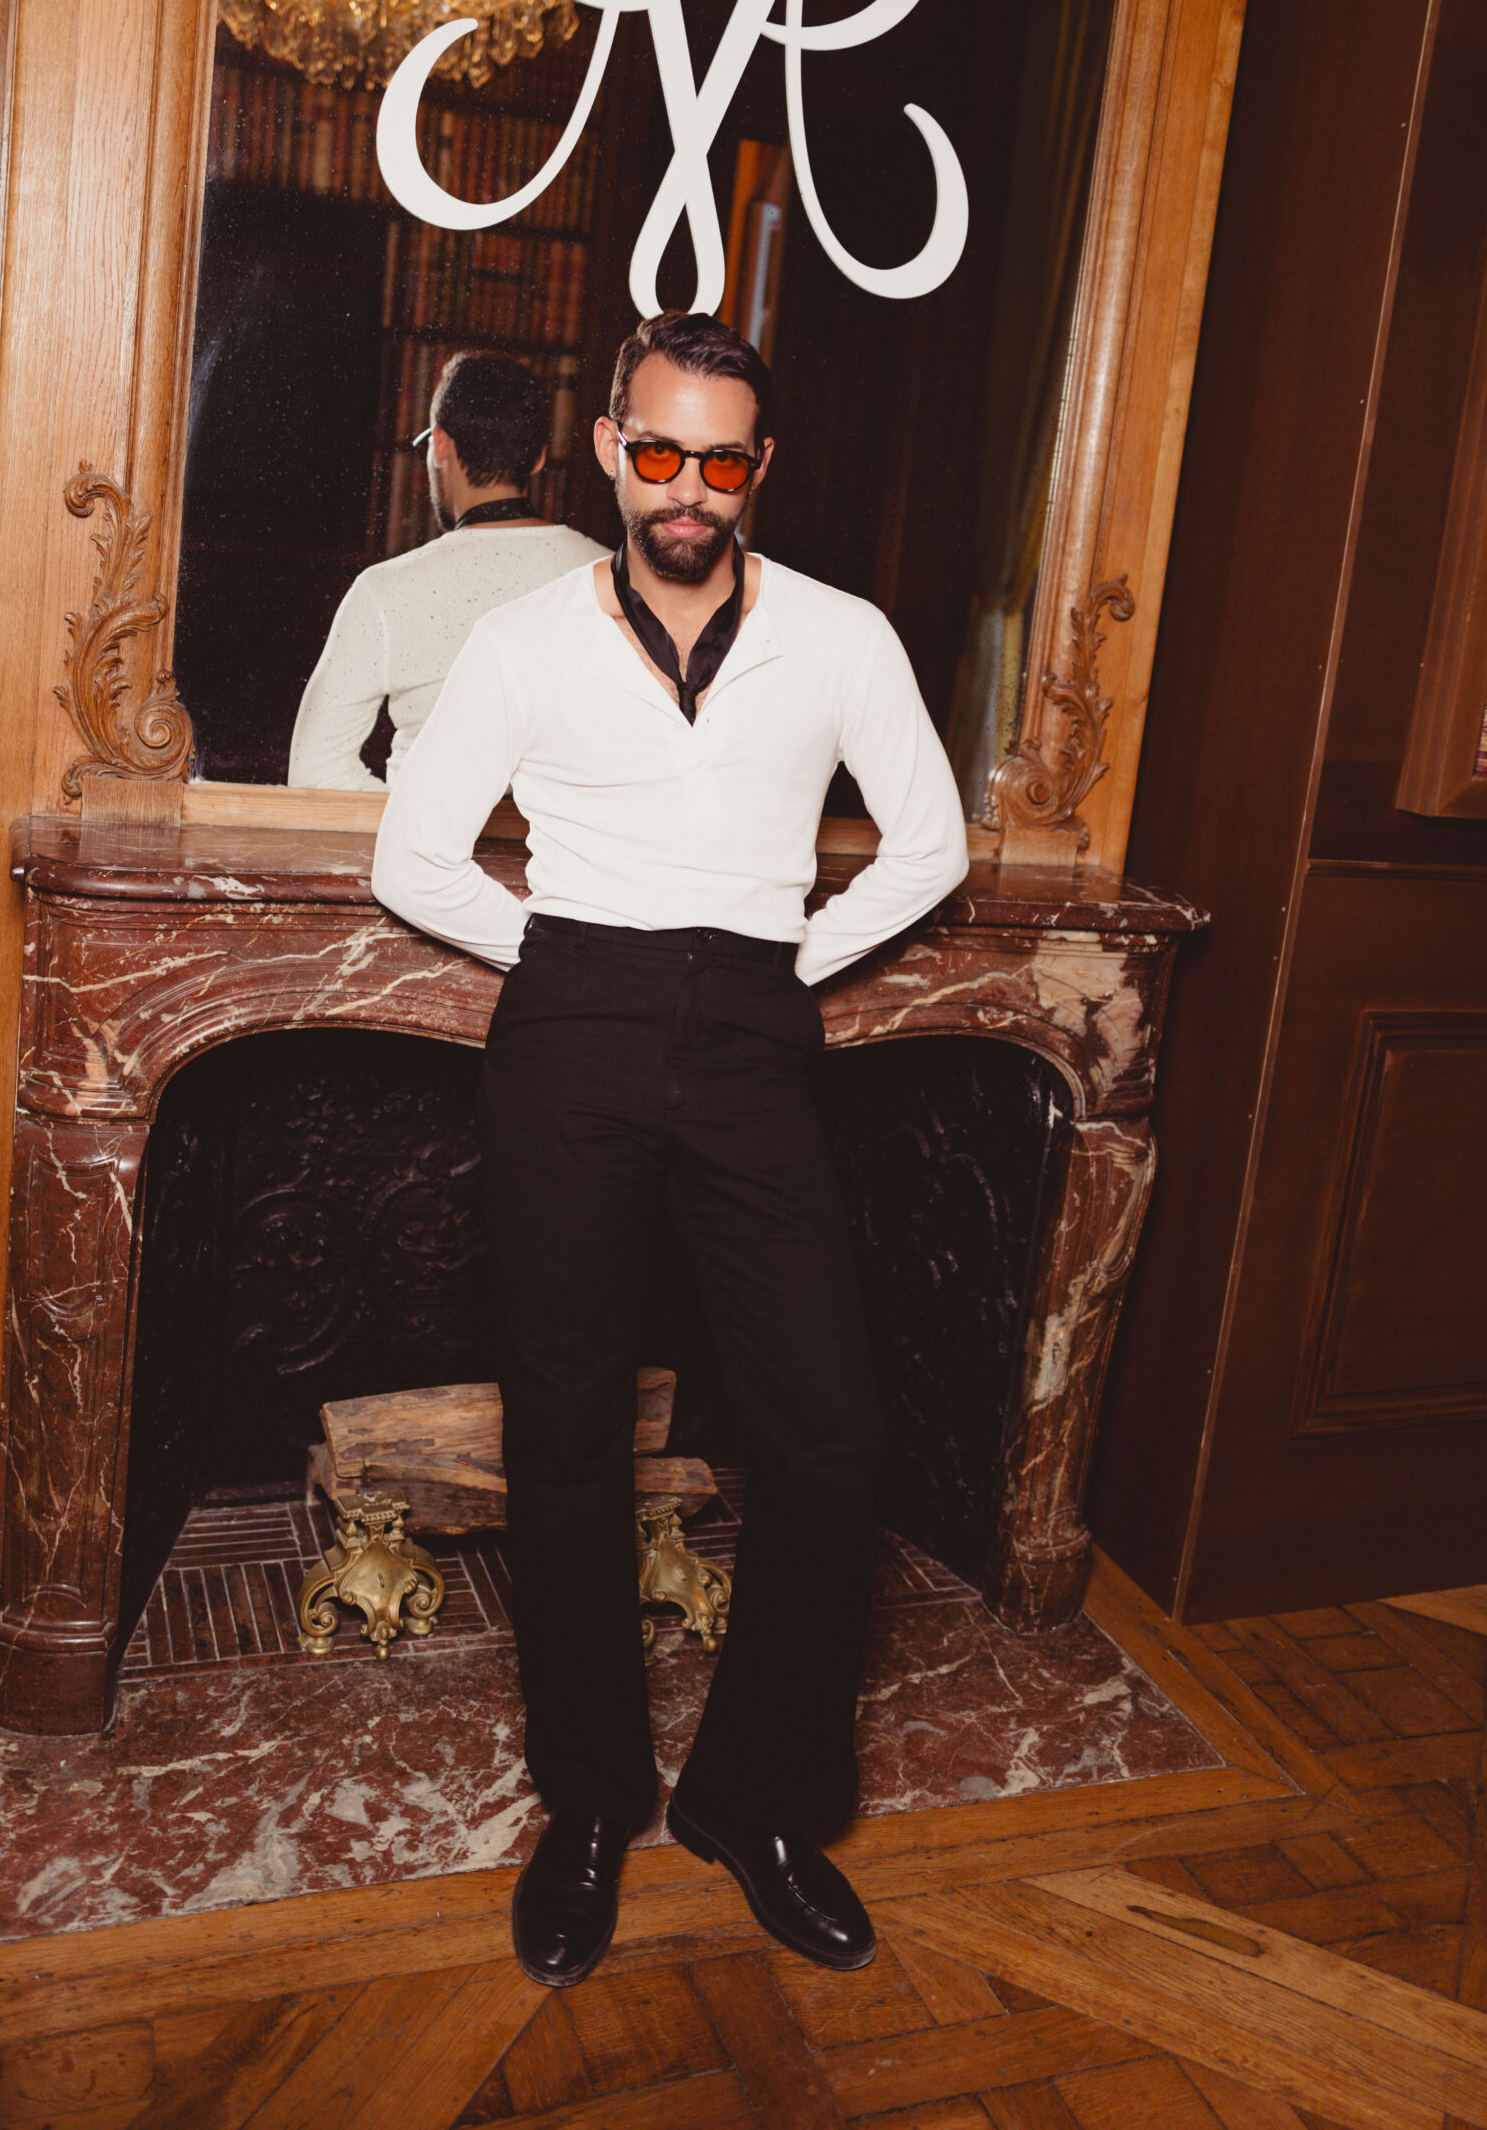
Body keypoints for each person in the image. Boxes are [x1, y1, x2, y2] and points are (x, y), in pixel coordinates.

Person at [373, 310, 968, 1988]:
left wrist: (784, 964)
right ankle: (588, 1805)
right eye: (655, 452)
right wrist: (569, 964)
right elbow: (414, 857)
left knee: (832, 1433)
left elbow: (928, 844)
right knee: (564, 1432)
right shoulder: (522, 641)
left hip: (754, 1033)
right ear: (604, 450)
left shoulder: (841, 637)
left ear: (757, 467)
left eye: (719, 459)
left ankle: (754, 1803)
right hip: (570, 1023)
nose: (685, 488)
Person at [287, 351, 608, 787]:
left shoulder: (383, 590)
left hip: (419, 832)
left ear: (439, 443)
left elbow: (314, 773)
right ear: (538, 459)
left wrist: (414, 819)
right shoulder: (612, 577)